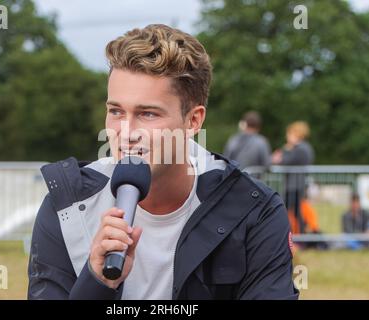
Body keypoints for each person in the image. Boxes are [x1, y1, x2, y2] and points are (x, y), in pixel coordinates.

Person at [27, 24, 298, 300]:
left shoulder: (253, 211)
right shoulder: (68, 207)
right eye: (116, 111)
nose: (127, 132)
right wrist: (96, 281)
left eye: (148, 114)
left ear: (193, 120)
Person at [272, 121, 314, 234]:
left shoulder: (300, 148)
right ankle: (301, 236)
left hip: (294, 185)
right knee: (295, 212)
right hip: (295, 184)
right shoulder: (302, 147)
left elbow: (286, 161)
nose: (287, 136)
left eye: (289, 133)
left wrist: (283, 153)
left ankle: (298, 236)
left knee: (283, 210)